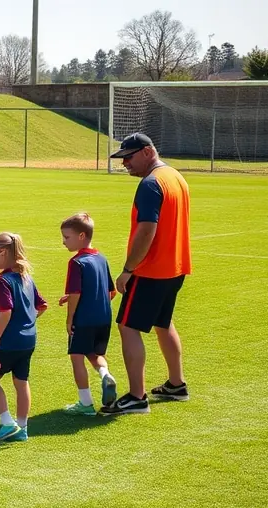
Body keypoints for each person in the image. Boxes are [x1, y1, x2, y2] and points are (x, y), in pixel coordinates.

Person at [105, 133, 192, 415]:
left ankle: (136, 397)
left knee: (128, 326)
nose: (125, 163)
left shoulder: (151, 183)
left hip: (151, 269)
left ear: (147, 152)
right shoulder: (174, 176)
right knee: (163, 322)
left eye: (129, 157)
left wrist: (128, 270)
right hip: (175, 267)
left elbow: (146, 231)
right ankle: (176, 384)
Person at [0, 232, 47, 442]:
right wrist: (28, 321)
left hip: (9, 341)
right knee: (21, 382)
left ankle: (7, 423)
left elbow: (6, 311)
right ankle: (23, 428)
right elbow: (42, 305)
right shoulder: (26, 276)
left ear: (2, 252)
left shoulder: (2, 280)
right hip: (29, 340)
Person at [58, 213, 118, 416]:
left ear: (81, 236)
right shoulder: (101, 258)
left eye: (67, 237)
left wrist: (70, 317)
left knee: (77, 357)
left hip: (83, 319)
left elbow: (76, 293)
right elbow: (111, 291)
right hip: (103, 317)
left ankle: (86, 403)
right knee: (95, 354)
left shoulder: (76, 262)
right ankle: (105, 374)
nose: (63, 241)